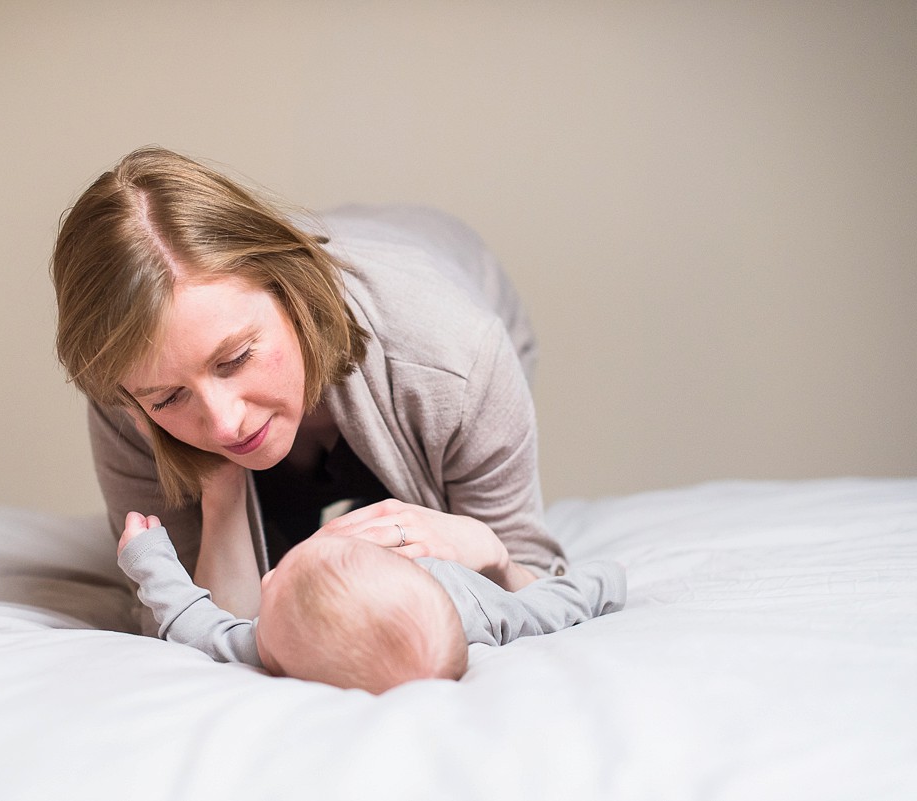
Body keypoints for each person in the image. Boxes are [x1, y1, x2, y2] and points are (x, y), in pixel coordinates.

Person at [52, 145, 568, 634]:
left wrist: (486, 548)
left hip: (440, 287)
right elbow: (189, 617)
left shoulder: (455, 356)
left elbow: (538, 586)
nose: (225, 423)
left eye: (234, 359)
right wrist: (221, 491)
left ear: (290, 291)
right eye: (168, 398)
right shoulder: (130, 388)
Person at [117, 510, 626, 694]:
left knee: (553, 602)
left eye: (275, 579)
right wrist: (601, 581)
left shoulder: (264, 646)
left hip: (426, 583)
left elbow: (192, 620)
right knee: (549, 607)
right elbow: (557, 604)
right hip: (443, 586)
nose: (265, 580)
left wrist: (151, 562)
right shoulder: (483, 611)